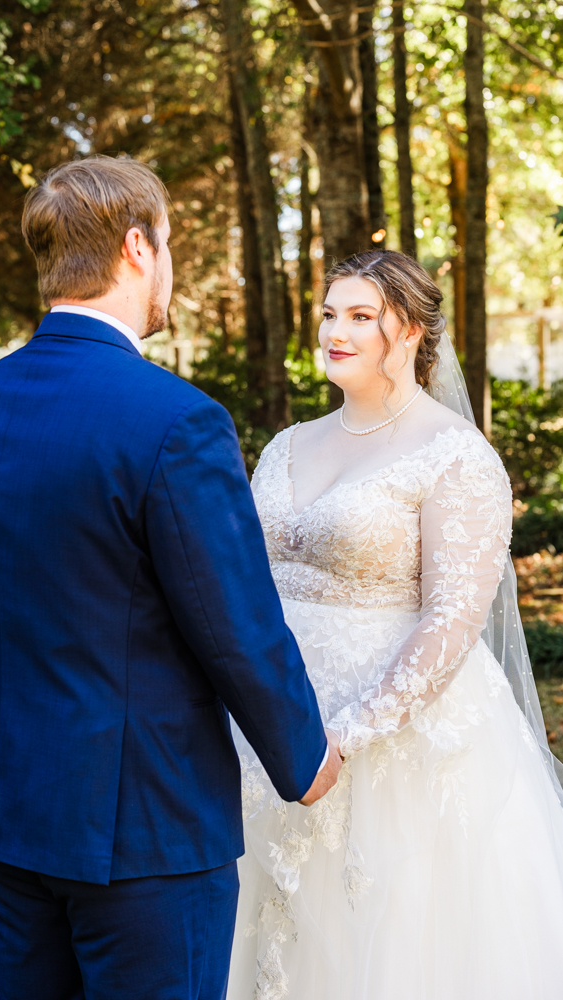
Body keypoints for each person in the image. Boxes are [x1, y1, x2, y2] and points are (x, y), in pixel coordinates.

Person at [0, 155, 342, 1000]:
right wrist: (302, 759)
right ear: (135, 247)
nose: (170, 269)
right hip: (139, 826)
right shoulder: (175, 421)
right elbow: (235, 625)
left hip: (4, 806)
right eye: (168, 245)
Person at [228, 249, 563, 1000]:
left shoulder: (454, 456)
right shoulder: (288, 443)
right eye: (327, 315)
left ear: (408, 331)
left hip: (393, 739)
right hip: (268, 718)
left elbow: (451, 617)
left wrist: (344, 734)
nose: (333, 333)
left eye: (358, 316)